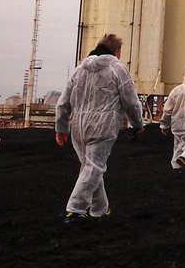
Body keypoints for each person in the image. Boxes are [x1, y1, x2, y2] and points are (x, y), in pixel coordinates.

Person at [54, 33, 144, 220]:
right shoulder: (117, 69)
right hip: (103, 125)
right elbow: (131, 101)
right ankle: (76, 208)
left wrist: (61, 128)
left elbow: (63, 102)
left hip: (78, 126)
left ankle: (100, 209)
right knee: (94, 167)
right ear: (116, 51)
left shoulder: (79, 70)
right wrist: (137, 124)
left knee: (90, 167)